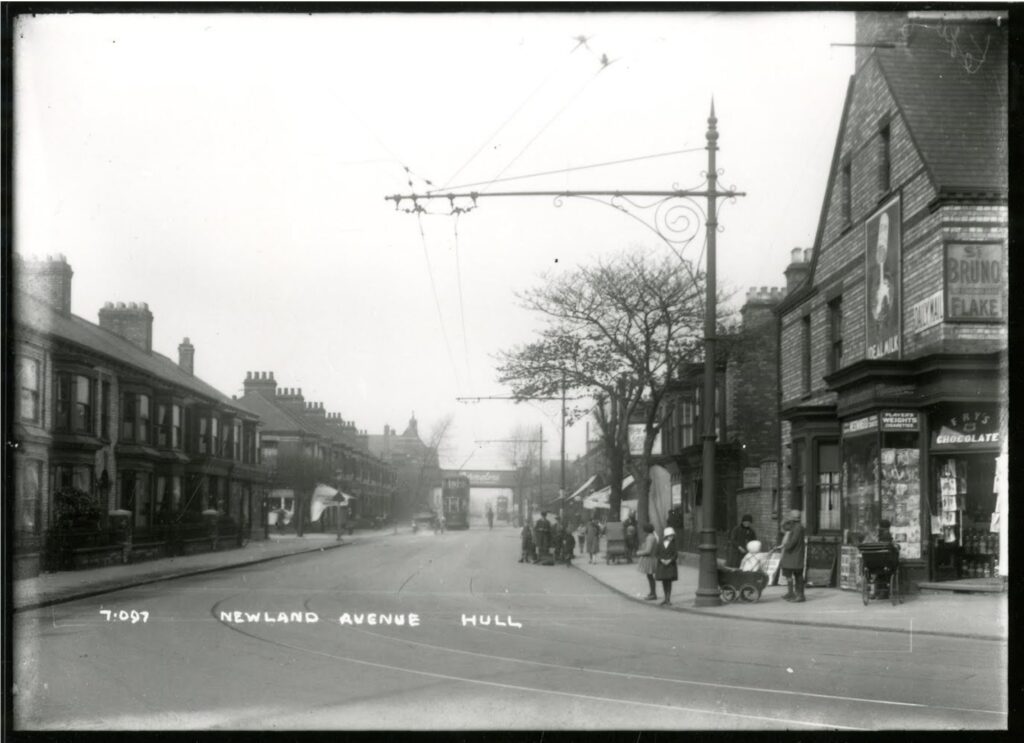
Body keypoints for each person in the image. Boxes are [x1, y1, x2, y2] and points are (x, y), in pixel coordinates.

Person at [780, 509, 806, 603]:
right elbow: (784, 528)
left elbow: (793, 542)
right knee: (791, 574)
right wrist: (784, 520)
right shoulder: (795, 526)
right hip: (794, 555)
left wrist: (785, 546)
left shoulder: (797, 528)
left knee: (798, 575)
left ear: (794, 517)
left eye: (790, 515)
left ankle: (800, 595)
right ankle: (792, 593)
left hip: (795, 555)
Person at [655, 526, 679, 606]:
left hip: (670, 565)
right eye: (669, 536)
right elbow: (657, 554)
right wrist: (661, 559)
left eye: (672, 536)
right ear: (666, 536)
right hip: (662, 565)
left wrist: (670, 560)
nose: (671, 537)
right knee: (664, 581)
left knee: (669, 582)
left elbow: (675, 555)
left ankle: (668, 598)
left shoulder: (673, 544)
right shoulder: (660, 543)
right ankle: (665, 598)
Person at [636, 523, 659, 600]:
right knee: (650, 577)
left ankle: (653, 593)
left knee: (650, 577)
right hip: (652, 559)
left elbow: (648, 551)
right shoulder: (653, 537)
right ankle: (652, 592)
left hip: (649, 559)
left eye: (644, 530)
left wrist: (639, 553)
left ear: (646, 531)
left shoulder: (650, 538)